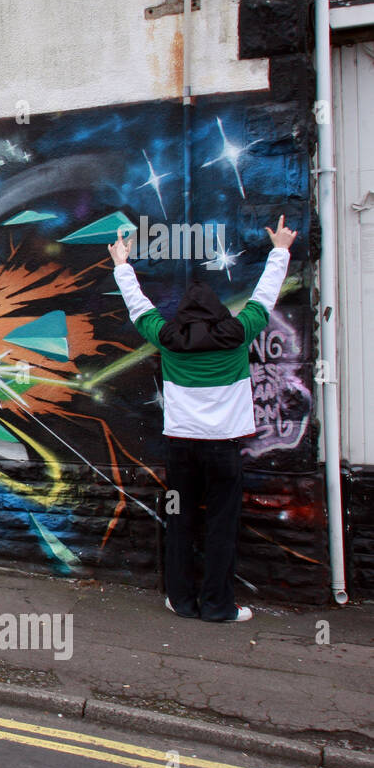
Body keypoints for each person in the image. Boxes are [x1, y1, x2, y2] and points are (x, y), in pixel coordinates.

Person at [109, 215, 295, 622]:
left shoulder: (168, 337)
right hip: (224, 453)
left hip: (182, 454)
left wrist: (122, 264)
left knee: (179, 520)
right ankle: (217, 606)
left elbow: (138, 307)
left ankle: (180, 599)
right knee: (221, 528)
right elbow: (265, 296)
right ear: (217, 313)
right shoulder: (239, 332)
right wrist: (279, 250)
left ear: (184, 315)